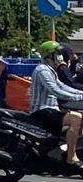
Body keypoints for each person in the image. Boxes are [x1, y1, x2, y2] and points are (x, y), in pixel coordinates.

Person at [30, 40, 83, 171]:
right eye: (57, 54)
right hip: (43, 111)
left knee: (79, 116)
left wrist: (81, 93)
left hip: (51, 109)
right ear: (49, 56)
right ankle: (71, 157)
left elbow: (63, 86)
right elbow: (56, 91)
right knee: (76, 119)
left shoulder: (49, 70)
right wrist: (79, 97)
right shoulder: (42, 70)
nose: (60, 57)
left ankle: (65, 147)